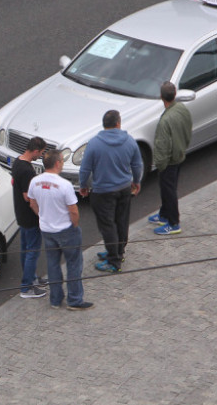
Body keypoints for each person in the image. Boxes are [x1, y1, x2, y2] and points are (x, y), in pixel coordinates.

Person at [79, 110, 143, 273]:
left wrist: (83, 185)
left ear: (104, 124)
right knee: (121, 222)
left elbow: (85, 169)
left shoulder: (94, 143)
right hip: (124, 188)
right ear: (118, 123)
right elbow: (137, 165)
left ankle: (114, 261)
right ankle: (118, 252)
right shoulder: (129, 141)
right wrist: (136, 181)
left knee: (107, 225)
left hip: (102, 192)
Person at [29, 151, 92, 310]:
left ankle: (55, 299)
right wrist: (75, 225)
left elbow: (32, 204)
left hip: (47, 229)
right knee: (73, 264)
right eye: (62, 161)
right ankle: (75, 300)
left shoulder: (35, 182)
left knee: (53, 264)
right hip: (65, 229)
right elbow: (73, 211)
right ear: (57, 163)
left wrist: (42, 216)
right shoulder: (64, 185)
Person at [151, 81, 193, 236]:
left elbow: (162, 146)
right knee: (169, 188)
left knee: (169, 191)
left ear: (162, 97)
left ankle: (173, 223)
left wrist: (160, 165)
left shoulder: (165, 121)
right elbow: (188, 129)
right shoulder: (182, 109)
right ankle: (164, 214)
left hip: (169, 162)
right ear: (174, 94)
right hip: (179, 154)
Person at [11, 137, 48, 298]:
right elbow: (29, 198)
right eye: (40, 153)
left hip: (21, 215)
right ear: (35, 150)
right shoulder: (27, 171)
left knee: (25, 250)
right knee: (32, 251)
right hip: (30, 217)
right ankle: (27, 287)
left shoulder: (18, 162)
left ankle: (31, 278)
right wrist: (41, 216)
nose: (40, 156)